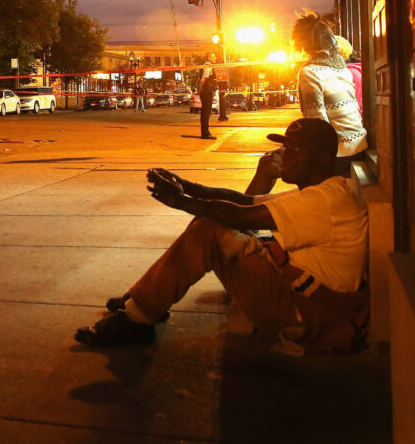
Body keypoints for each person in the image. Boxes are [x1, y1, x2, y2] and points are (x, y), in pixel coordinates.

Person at [75, 118, 369, 356]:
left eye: (294, 151)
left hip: (303, 314)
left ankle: (138, 317)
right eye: (284, 149)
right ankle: (144, 304)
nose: (284, 157)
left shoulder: (326, 200)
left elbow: (237, 216)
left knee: (209, 228)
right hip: (295, 295)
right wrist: (187, 185)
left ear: (321, 158)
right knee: (209, 220)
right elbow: (242, 202)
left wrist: (181, 200)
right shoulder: (321, 191)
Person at [291, 10, 367, 173]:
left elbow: (317, 122)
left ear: (302, 44)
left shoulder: (310, 72)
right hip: (359, 144)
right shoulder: (343, 69)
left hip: (338, 152)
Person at [197, 60, 217, 139]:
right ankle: (205, 134)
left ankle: (205, 132)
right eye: (213, 56)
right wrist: (200, 89)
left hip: (206, 90)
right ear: (209, 57)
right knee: (206, 112)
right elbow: (204, 78)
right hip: (206, 91)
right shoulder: (207, 65)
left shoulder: (207, 66)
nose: (215, 58)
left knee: (205, 112)